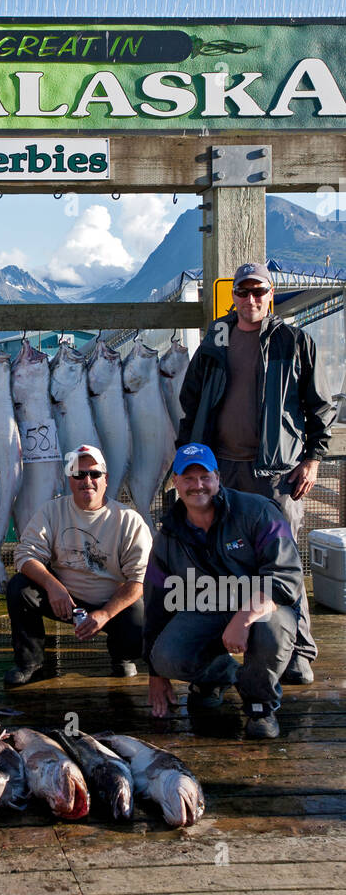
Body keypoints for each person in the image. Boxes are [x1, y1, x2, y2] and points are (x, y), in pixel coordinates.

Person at [178, 261, 335, 685]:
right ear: (233, 295)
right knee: (223, 560)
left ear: (271, 294)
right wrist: (188, 459)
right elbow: (190, 400)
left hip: (276, 473)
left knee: (282, 562)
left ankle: (298, 650)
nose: (251, 300)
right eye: (243, 291)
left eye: (258, 292)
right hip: (221, 471)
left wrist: (313, 458)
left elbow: (320, 406)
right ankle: (233, 645)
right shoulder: (217, 337)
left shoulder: (293, 340)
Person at [145, 443, 305, 740]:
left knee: (271, 630)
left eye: (205, 476)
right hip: (208, 609)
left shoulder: (258, 511)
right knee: (165, 655)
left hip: (265, 609)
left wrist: (244, 617)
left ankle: (260, 705)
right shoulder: (167, 535)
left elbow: (286, 576)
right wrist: (156, 673)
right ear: (175, 483)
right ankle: (217, 676)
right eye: (188, 478)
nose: (198, 486)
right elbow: (156, 602)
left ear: (218, 478)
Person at [3, 444, 151, 688]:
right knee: (19, 588)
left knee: (141, 623)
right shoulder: (51, 510)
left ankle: (122, 656)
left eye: (94, 474)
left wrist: (104, 613)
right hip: (63, 600)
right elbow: (24, 555)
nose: (87, 480)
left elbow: (140, 579)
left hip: (110, 604)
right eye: (79, 474)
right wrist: (53, 586)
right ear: (69, 480)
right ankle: (30, 662)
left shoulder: (129, 519)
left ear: (106, 479)